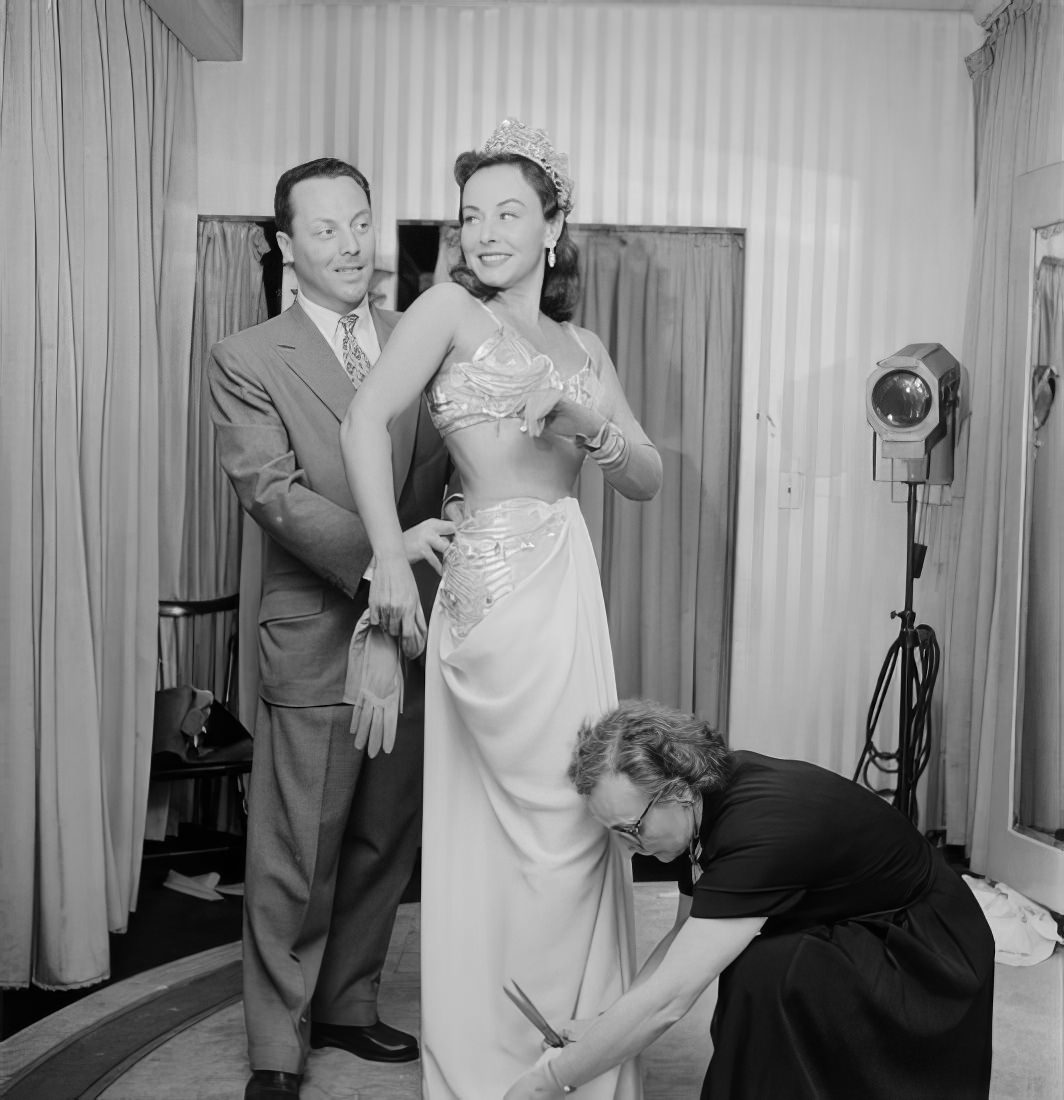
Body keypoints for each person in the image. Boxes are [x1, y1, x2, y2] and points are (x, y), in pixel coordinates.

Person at [340, 119, 662, 1099]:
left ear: (552, 225)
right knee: (512, 830)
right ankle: (490, 1057)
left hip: (567, 584)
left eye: (508, 212)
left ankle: (566, 1049)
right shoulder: (444, 309)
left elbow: (644, 474)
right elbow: (362, 420)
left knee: (580, 816)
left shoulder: (583, 345)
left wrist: (592, 424)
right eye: (471, 213)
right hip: (487, 594)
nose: (484, 231)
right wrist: (388, 553)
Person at [208, 157, 453, 1100]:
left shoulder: (417, 338)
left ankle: (349, 1003)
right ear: (285, 246)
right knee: (295, 851)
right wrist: (382, 563)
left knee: (385, 837)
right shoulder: (247, 357)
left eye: (361, 225)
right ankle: (278, 1042)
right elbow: (272, 494)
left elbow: (446, 466)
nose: (351, 246)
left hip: (418, 634)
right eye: (325, 231)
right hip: (317, 627)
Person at [504, 698, 997, 1099]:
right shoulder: (698, 804)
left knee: (764, 970)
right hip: (870, 916)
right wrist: (604, 1024)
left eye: (631, 829)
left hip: (926, 952)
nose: (630, 846)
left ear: (675, 790)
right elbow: (683, 936)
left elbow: (671, 1000)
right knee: (754, 964)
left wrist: (548, 1081)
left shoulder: (756, 834)